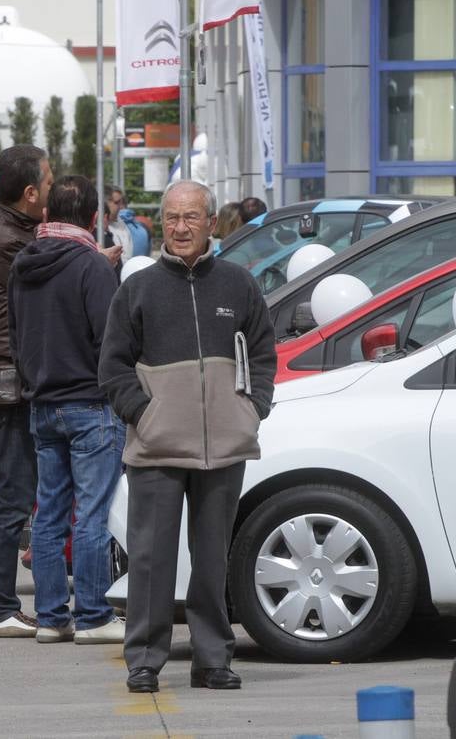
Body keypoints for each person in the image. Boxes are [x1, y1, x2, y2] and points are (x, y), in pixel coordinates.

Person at [99, 180, 275, 694]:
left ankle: (212, 659)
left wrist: (252, 407)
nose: (180, 228)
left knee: (212, 555)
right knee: (150, 557)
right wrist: (143, 413)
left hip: (224, 445)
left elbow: (262, 353)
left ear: (211, 225)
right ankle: (145, 660)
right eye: (172, 218)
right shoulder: (138, 289)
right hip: (156, 446)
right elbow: (112, 366)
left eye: (191, 218)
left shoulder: (239, 285)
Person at [8, 175, 126, 646]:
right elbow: (110, 339)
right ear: (95, 218)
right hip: (91, 405)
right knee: (91, 515)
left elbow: (16, 334)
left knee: (50, 514)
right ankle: (94, 615)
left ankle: (52, 617)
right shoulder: (90, 267)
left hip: (42, 404)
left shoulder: (24, 263)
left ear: (46, 214)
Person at [0, 144, 52, 639]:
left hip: (6, 377)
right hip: (9, 382)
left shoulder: (8, 229)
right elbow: (53, 276)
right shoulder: (8, 239)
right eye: (46, 182)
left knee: (13, 492)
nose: (50, 190)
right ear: (28, 193)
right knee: (12, 495)